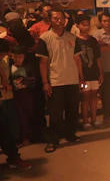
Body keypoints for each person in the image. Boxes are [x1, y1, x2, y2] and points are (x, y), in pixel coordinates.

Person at [35, 8, 84, 153]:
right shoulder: (45, 38)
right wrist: (45, 82)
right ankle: (53, 140)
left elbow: (77, 58)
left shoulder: (72, 37)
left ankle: (70, 134)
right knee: (55, 114)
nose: (59, 21)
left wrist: (81, 76)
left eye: (61, 18)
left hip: (72, 80)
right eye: (55, 18)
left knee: (73, 111)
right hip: (55, 81)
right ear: (50, 20)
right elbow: (43, 62)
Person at [75, 15, 103, 130]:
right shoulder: (75, 40)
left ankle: (94, 119)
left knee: (94, 95)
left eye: (88, 24)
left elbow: (97, 58)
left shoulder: (92, 40)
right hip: (83, 75)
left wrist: (100, 72)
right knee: (85, 96)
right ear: (77, 26)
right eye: (84, 25)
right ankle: (85, 120)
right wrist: (80, 75)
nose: (86, 27)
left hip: (93, 73)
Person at [9, 45, 38, 146]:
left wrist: (26, 80)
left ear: (24, 56)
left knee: (29, 114)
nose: (17, 59)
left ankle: (33, 135)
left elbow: (33, 81)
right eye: (15, 57)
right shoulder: (10, 67)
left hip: (27, 94)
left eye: (20, 57)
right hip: (16, 94)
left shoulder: (28, 67)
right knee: (21, 117)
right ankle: (24, 138)